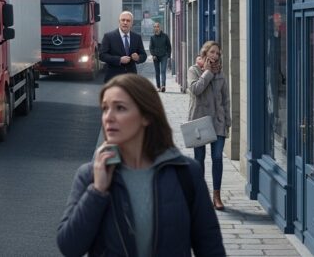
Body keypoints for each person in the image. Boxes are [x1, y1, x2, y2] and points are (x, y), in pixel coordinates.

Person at [57, 73, 225, 256]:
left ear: (146, 116)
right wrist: (97, 191)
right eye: (105, 109)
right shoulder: (90, 175)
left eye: (120, 108)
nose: (108, 117)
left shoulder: (185, 173)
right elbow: (69, 247)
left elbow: (210, 246)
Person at [188, 40, 231, 211]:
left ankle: (217, 195)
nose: (215, 56)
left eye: (217, 53)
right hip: (199, 120)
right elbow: (195, 90)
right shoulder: (194, 70)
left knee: (217, 157)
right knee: (199, 159)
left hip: (218, 121)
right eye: (212, 52)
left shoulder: (221, 73)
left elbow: (226, 98)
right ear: (205, 53)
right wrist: (206, 73)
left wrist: (228, 120)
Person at [99, 11, 147, 83]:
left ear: (132, 23)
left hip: (131, 79)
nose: (125, 22)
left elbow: (144, 55)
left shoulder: (137, 37)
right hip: (113, 78)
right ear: (119, 22)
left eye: (128, 21)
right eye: (123, 20)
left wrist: (138, 58)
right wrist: (119, 59)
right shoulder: (109, 36)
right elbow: (102, 55)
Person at [149, 22, 172, 92]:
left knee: (163, 71)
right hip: (156, 57)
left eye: (158, 26)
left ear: (160, 27)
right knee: (157, 72)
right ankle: (158, 86)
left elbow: (169, 46)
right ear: (154, 28)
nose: (156, 28)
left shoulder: (165, 36)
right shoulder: (152, 37)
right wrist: (153, 55)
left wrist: (168, 55)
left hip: (164, 56)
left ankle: (163, 86)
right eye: (155, 27)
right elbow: (151, 47)